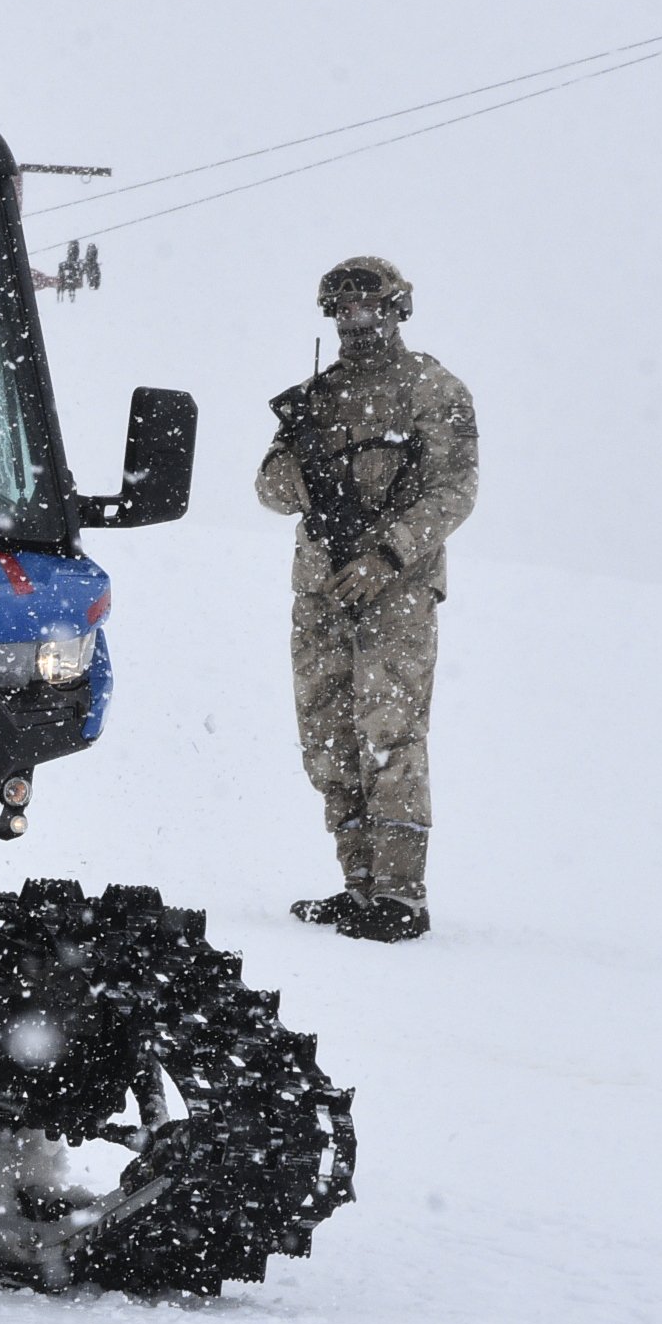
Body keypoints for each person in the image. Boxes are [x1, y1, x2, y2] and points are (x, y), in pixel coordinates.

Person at [254, 255, 479, 941]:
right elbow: (267, 490)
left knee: (389, 735)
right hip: (321, 590)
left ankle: (401, 895)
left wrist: (389, 554)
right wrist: (298, 463)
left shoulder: (431, 390)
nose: (355, 322)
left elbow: (454, 490)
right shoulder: (313, 399)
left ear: (397, 309)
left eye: (368, 308)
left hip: (397, 594)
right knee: (327, 738)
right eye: (342, 311)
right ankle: (358, 885)